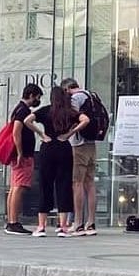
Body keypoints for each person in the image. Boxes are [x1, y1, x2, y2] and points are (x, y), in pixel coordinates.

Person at [34, 85, 77, 237]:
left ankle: (41, 226)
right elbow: (85, 120)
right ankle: (63, 226)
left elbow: (27, 120)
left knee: (45, 185)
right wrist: (69, 133)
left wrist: (41, 134)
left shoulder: (46, 111)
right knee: (64, 185)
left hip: (47, 147)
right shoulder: (68, 112)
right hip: (63, 147)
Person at [5, 84, 42, 236]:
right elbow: (16, 132)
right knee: (19, 187)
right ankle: (13, 222)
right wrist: (20, 152)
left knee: (15, 186)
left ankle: (11, 220)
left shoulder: (18, 109)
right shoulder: (23, 111)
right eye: (38, 97)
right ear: (31, 95)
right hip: (23, 154)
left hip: (21, 154)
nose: (38, 100)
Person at [61, 77, 95, 235]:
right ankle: (91, 223)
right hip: (91, 143)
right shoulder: (91, 95)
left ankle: (78, 223)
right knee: (90, 183)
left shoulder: (75, 98)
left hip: (78, 144)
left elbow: (75, 120)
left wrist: (69, 133)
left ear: (67, 89)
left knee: (77, 183)